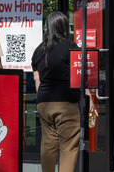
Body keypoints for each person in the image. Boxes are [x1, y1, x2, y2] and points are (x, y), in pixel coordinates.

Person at [31, 11, 97, 172]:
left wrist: (44, 99)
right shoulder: (71, 47)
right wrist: (90, 100)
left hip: (44, 103)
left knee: (48, 145)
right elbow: (79, 78)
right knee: (68, 147)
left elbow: (37, 80)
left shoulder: (39, 50)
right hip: (66, 103)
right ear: (64, 27)